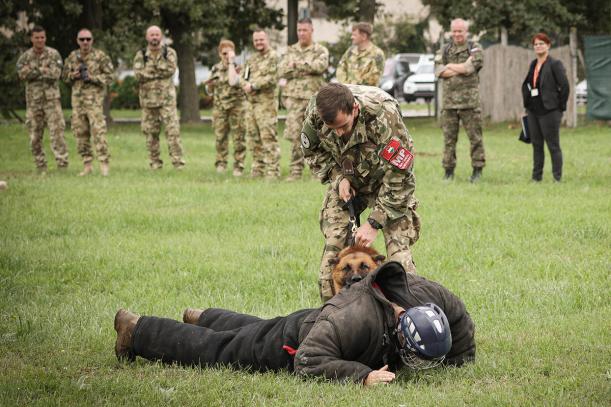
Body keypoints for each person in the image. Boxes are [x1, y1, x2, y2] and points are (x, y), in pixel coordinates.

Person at [114, 261, 476, 384]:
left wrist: (462, 356)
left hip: (314, 323)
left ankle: (204, 316)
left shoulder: (424, 295)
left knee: (254, 328)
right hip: (294, 343)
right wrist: (361, 376)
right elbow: (307, 362)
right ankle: (137, 329)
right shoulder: (351, 320)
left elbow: (459, 319)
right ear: (399, 331)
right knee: (220, 351)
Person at [301, 83, 420, 302]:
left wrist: (374, 223)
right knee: (333, 254)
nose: (338, 132)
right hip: (349, 179)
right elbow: (312, 153)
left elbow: (401, 178)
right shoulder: (316, 113)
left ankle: (410, 318)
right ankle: (331, 321)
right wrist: (339, 179)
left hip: (387, 185)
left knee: (398, 256)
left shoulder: (384, 116)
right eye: (332, 127)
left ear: (355, 109)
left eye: (343, 126)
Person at [434, 18, 485, 182]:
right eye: (454, 31)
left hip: (469, 103)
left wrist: (449, 67)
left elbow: (470, 68)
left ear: (466, 32)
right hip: (449, 104)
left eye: (460, 31)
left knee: (475, 138)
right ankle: (448, 172)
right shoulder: (445, 49)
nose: (457, 34)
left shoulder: (475, 48)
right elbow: (438, 71)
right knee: (449, 140)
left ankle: (477, 170)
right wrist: (460, 68)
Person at [279, 17, 329, 181]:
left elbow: (320, 66)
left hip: (314, 99)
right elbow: (282, 71)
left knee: (316, 133)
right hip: (293, 99)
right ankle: (295, 170)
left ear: (312, 31)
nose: (301, 33)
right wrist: (306, 67)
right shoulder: (289, 50)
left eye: (304, 30)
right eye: (299, 30)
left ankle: (318, 170)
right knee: (295, 135)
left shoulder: (320, 50)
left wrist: (297, 65)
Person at [16, 26, 69, 174]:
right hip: (34, 102)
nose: (40, 40)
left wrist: (34, 72)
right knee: (34, 136)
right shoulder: (25, 57)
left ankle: (62, 165)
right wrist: (43, 70)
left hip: (52, 101)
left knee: (57, 133)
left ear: (45, 38)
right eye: (37, 37)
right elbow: (22, 74)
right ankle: (41, 166)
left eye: (42, 37)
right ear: (31, 39)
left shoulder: (54, 54)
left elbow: (56, 74)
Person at [63, 28, 114, 176]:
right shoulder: (72, 57)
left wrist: (92, 78)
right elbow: (64, 76)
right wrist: (73, 75)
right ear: (77, 41)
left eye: (88, 39)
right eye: (82, 39)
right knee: (80, 132)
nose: (85, 42)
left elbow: (109, 77)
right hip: (78, 102)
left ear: (92, 40)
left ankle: (104, 164)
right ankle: (87, 165)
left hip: (94, 102)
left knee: (99, 132)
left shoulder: (100, 56)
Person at [133, 26, 185, 170]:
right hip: (148, 102)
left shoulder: (169, 52)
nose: (154, 37)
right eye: (151, 35)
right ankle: (155, 163)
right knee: (151, 134)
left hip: (166, 101)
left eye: (157, 34)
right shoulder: (141, 55)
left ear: (161, 36)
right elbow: (138, 75)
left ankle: (177, 163)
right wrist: (158, 71)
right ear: (147, 37)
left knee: (173, 132)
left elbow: (171, 70)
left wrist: (149, 71)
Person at [521, 33, 569, 183]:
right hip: (534, 111)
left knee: (553, 145)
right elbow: (529, 85)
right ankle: (536, 177)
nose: (538, 46)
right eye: (535, 44)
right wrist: (527, 104)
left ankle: (557, 178)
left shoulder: (555, 64)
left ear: (548, 45)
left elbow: (565, 86)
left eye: (541, 43)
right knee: (536, 145)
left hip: (550, 111)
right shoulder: (533, 64)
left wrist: (560, 108)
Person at [241, 29, 279, 179]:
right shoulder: (251, 59)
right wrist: (244, 84)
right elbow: (243, 76)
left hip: (266, 105)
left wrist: (253, 86)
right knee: (253, 138)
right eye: (256, 40)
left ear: (267, 39)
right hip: (251, 105)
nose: (258, 43)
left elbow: (272, 78)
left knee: (268, 137)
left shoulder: (274, 57)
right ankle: (257, 170)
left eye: (261, 40)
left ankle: (272, 171)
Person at [207, 39, 247, 176]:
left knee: (239, 137)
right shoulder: (215, 69)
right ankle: (221, 163)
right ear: (219, 54)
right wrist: (209, 86)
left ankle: (239, 165)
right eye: (224, 53)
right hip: (220, 108)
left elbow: (236, 83)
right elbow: (210, 91)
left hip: (237, 107)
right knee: (220, 137)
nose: (227, 56)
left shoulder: (239, 68)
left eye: (229, 53)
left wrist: (231, 63)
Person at [336, 22, 385, 87]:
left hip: (367, 94)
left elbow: (374, 78)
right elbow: (340, 69)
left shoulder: (377, 54)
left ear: (364, 36)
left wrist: (354, 86)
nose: (351, 37)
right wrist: (346, 86)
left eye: (354, 35)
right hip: (348, 93)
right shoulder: (350, 52)